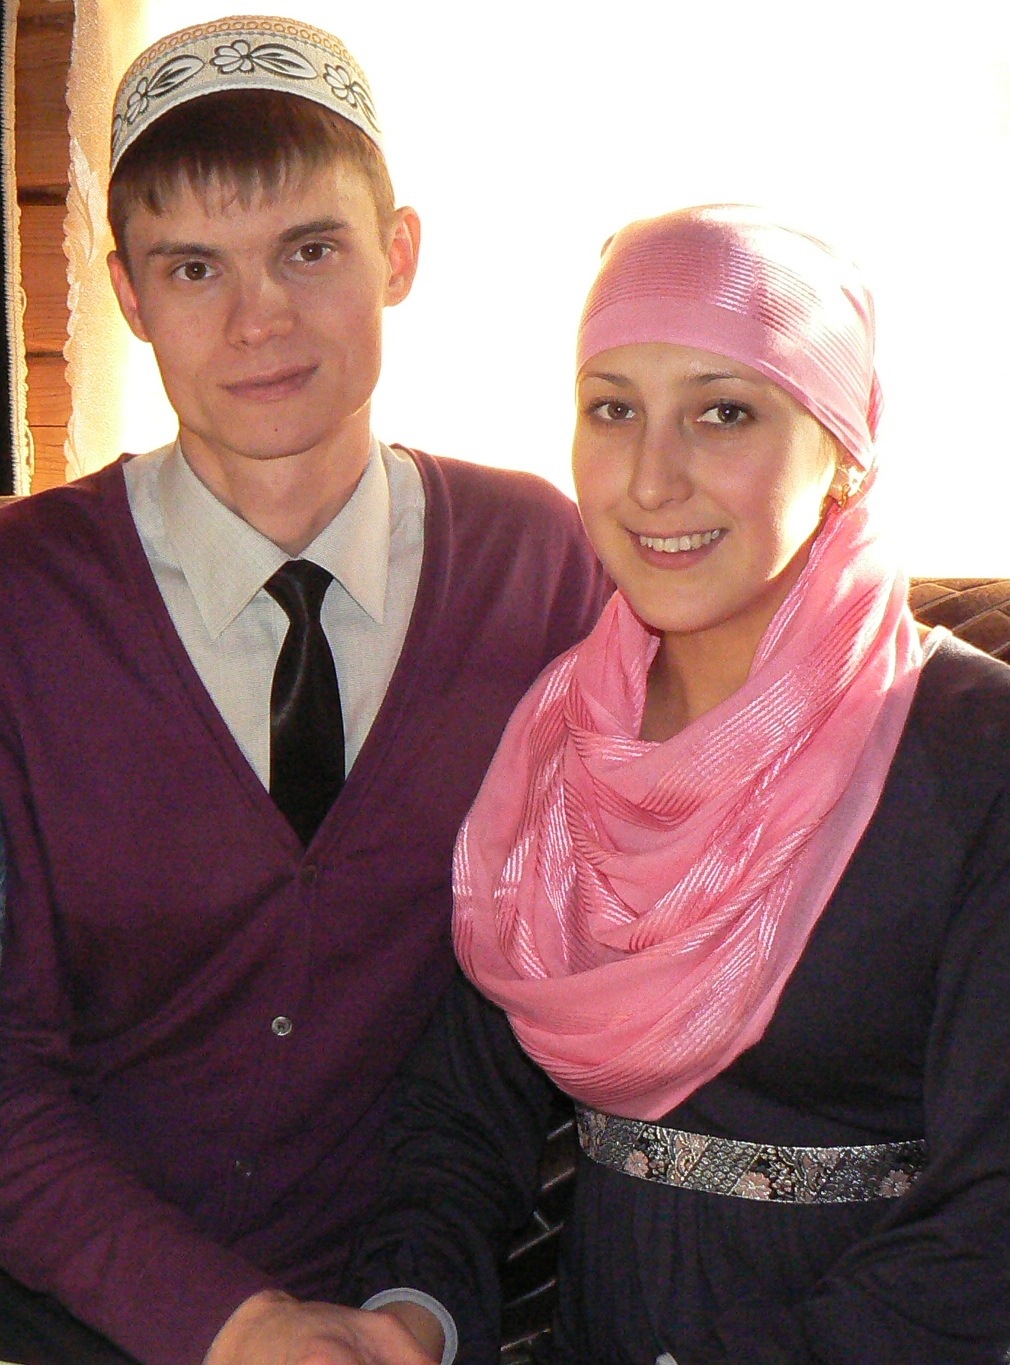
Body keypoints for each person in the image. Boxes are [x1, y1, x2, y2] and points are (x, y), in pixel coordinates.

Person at [0, 16, 607, 1365]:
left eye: (309, 250)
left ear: (398, 252)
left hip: (440, 1306)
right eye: (194, 267)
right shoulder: (22, 602)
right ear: (126, 293)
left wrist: (415, 1308)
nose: (257, 319)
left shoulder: (539, 565)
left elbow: (527, 1004)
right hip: (73, 1319)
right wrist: (231, 1325)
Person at [346, 206, 1010, 1363]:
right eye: (612, 410)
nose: (650, 481)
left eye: (722, 412)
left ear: (842, 450)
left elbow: (992, 1216)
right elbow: (459, 1112)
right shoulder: (553, 742)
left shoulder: (973, 751)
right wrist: (409, 1314)